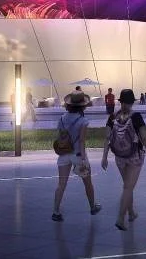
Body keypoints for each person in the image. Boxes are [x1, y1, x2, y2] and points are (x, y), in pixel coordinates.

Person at [102, 89, 146, 231]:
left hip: (119, 157)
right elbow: (144, 137)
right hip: (134, 157)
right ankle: (120, 217)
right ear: (132, 102)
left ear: (120, 101)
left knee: (127, 185)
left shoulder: (112, 117)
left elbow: (107, 138)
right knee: (128, 187)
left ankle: (131, 213)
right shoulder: (136, 116)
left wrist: (104, 157)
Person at [51, 92, 101, 222]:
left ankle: (56, 212)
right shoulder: (83, 121)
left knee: (61, 184)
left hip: (63, 154)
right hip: (78, 155)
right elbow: (82, 142)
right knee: (87, 183)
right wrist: (84, 159)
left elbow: (60, 136)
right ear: (82, 106)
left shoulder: (61, 118)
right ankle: (92, 207)